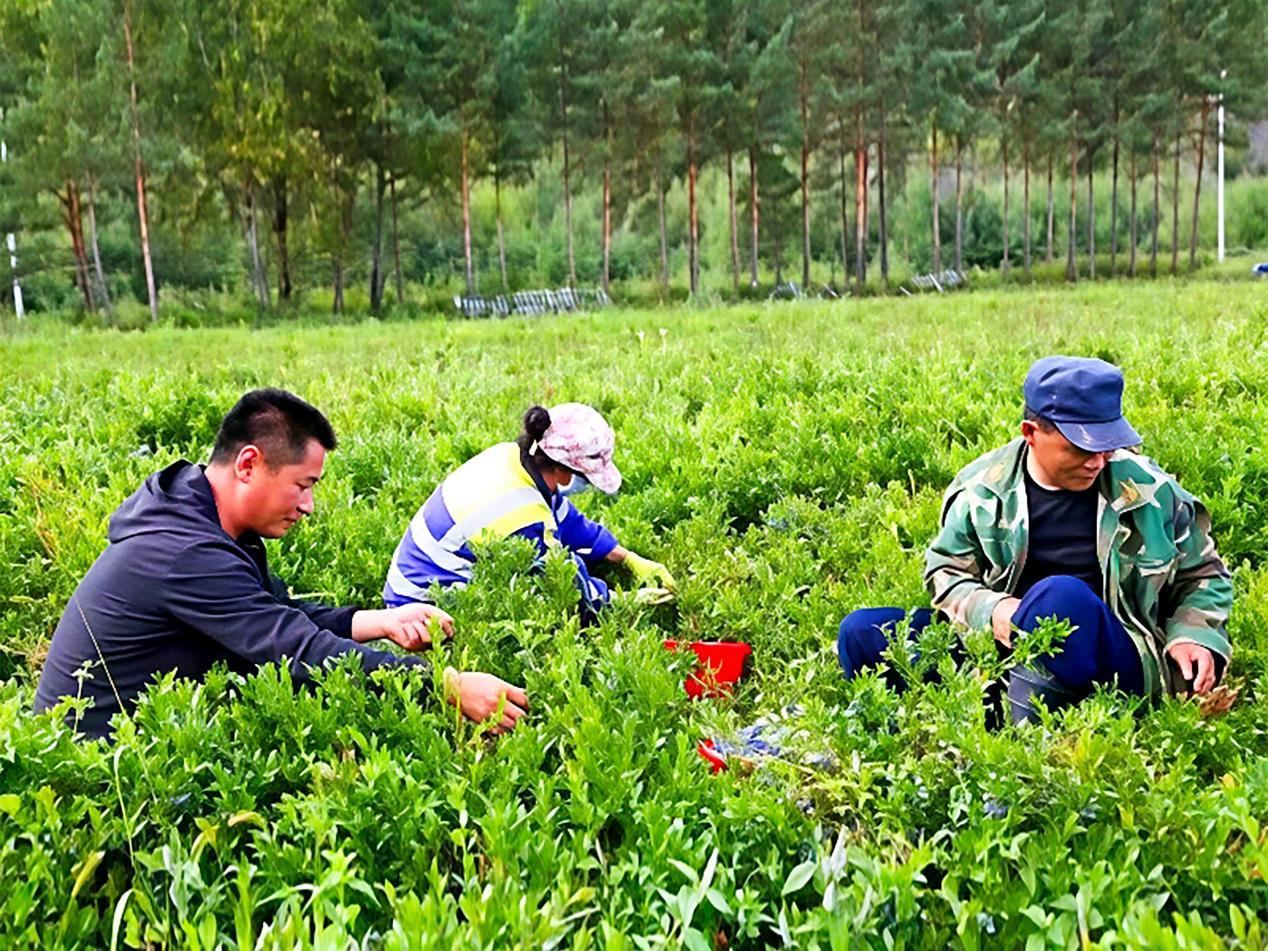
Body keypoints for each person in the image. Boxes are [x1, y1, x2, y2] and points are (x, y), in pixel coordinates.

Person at [35, 389, 527, 739]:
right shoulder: (186, 552)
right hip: (98, 764)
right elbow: (295, 649)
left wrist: (380, 621)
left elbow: (275, 612)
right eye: (303, 485)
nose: (308, 505)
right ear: (248, 464)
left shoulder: (204, 519)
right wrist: (446, 686)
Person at [836, 356, 1232, 722]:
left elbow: (1204, 574)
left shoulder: (1149, 490)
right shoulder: (981, 489)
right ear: (1031, 433)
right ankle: (993, 707)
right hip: (1004, 647)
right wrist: (994, 610)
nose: (1098, 461)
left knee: (1059, 598)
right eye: (1082, 448)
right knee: (863, 632)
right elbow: (945, 574)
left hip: (1112, 658)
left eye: (1108, 446)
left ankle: (1024, 740)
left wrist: (1194, 633)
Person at [383, 403, 674, 614]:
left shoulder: (513, 457)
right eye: (587, 479)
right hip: (419, 606)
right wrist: (621, 600)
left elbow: (567, 521)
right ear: (564, 472)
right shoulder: (522, 515)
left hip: (410, 578)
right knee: (537, 604)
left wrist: (626, 557)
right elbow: (564, 580)